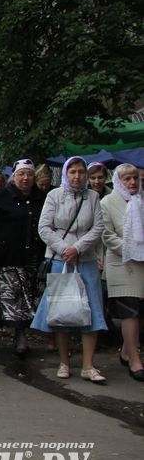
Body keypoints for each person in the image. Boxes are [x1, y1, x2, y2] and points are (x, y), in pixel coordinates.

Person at [31, 156, 107, 383]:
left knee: (91, 310)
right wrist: (65, 249)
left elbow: (98, 226)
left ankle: (88, 365)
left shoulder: (92, 197)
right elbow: (44, 227)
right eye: (73, 172)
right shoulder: (54, 196)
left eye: (81, 172)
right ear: (66, 173)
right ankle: (64, 362)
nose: (77, 176)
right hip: (60, 259)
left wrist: (78, 248)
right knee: (62, 312)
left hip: (86, 260)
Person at [0, 159, 46, 357]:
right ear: (14, 177)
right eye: (21, 174)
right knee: (15, 297)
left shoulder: (42, 198)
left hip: (35, 255)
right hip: (9, 254)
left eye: (29, 174)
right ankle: (20, 335)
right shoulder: (3, 196)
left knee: (32, 294)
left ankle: (33, 330)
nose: (25, 178)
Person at [100, 163, 144, 381]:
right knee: (130, 312)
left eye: (135, 178)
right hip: (122, 263)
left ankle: (126, 351)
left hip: (143, 263)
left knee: (140, 313)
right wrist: (132, 249)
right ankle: (135, 361)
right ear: (118, 181)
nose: (133, 183)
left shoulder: (142, 200)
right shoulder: (107, 202)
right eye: (127, 179)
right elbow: (107, 236)